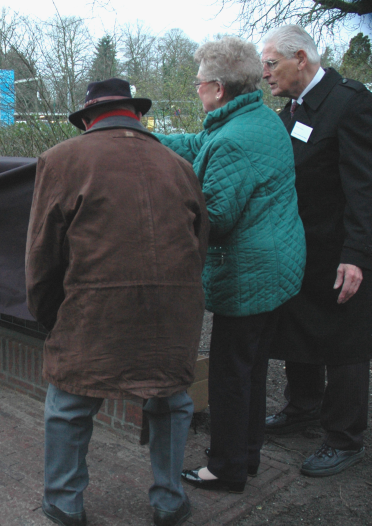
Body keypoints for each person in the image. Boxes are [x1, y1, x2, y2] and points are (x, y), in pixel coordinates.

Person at [26, 78, 209, 526]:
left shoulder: (60, 160)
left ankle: (65, 503)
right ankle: (168, 501)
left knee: (69, 402)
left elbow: (42, 255)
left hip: (94, 309)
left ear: (87, 120)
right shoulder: (180, 165)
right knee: (170, 400)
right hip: (173, 311)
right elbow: (199, 244)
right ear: (138, 116)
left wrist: (51, 316)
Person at [155, 36, 306, 492]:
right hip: (278, 267)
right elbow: (199, 142)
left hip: (250, 277)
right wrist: (144, 137)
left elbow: (214, 220)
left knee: (229, 376)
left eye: (199, 83)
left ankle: (225, 468)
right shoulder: (256, 118)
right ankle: (249, 455)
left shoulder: (233, 142)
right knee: (252, 368)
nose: (195, 88)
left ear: (218, 88)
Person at [261, 25, 372, 477]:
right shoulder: (293, 108)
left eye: (271, 63)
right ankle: (302, 408)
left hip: (340, 250)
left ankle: (344, 438)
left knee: (345, 342)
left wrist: (357, 253)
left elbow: (364, 187)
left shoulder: (350, 103)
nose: (265, 72)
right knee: (299, 329)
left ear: (301, 59)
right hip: (301, 247)